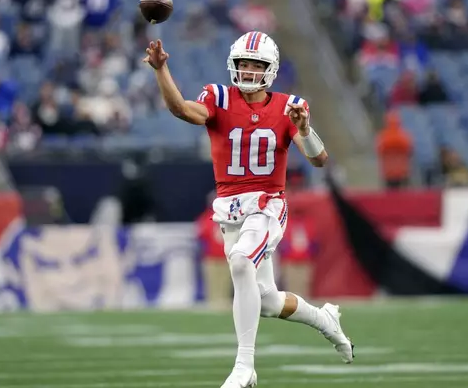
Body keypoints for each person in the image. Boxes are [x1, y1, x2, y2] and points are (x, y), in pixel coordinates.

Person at [144, 32, 354, 388]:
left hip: (268, 204)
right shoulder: (218, 97)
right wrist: (162, 70)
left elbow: (319, 159)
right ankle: (325, 320)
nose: (249, 71)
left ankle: (245, 366)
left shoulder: (290, 105)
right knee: (268, 301)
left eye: (257, 65)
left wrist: (304, 128)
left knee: (241, 261)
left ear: (270, 70)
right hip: (230, 209)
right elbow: (181, 109)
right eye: (243, 64)